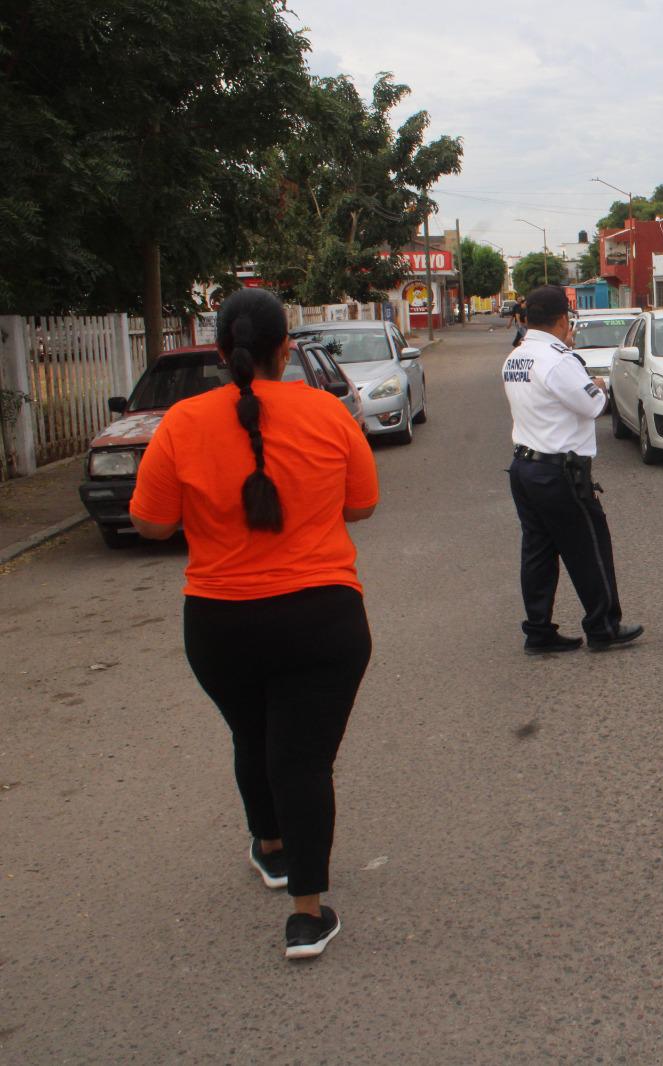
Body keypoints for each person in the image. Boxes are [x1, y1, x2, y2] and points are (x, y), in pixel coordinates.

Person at [130, 288, 379, 962]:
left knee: (253, 732)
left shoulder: (181, 422)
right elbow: (362, 507)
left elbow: (150, 522)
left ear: (220, 351)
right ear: (285, 351)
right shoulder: (328, 413)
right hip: (322, 618)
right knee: (301, 757)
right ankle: (306, 913)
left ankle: (269, 847)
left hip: (220, 622)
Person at [503, 285, 643, 653]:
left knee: (537, 552)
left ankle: (538, 631)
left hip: (524, 467)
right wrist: (597, 385)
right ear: (563, 319)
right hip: (558, 472)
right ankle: (603, 627)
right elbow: (594, 405)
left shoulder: (516, 357)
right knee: (589, 547)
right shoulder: (558, 359)